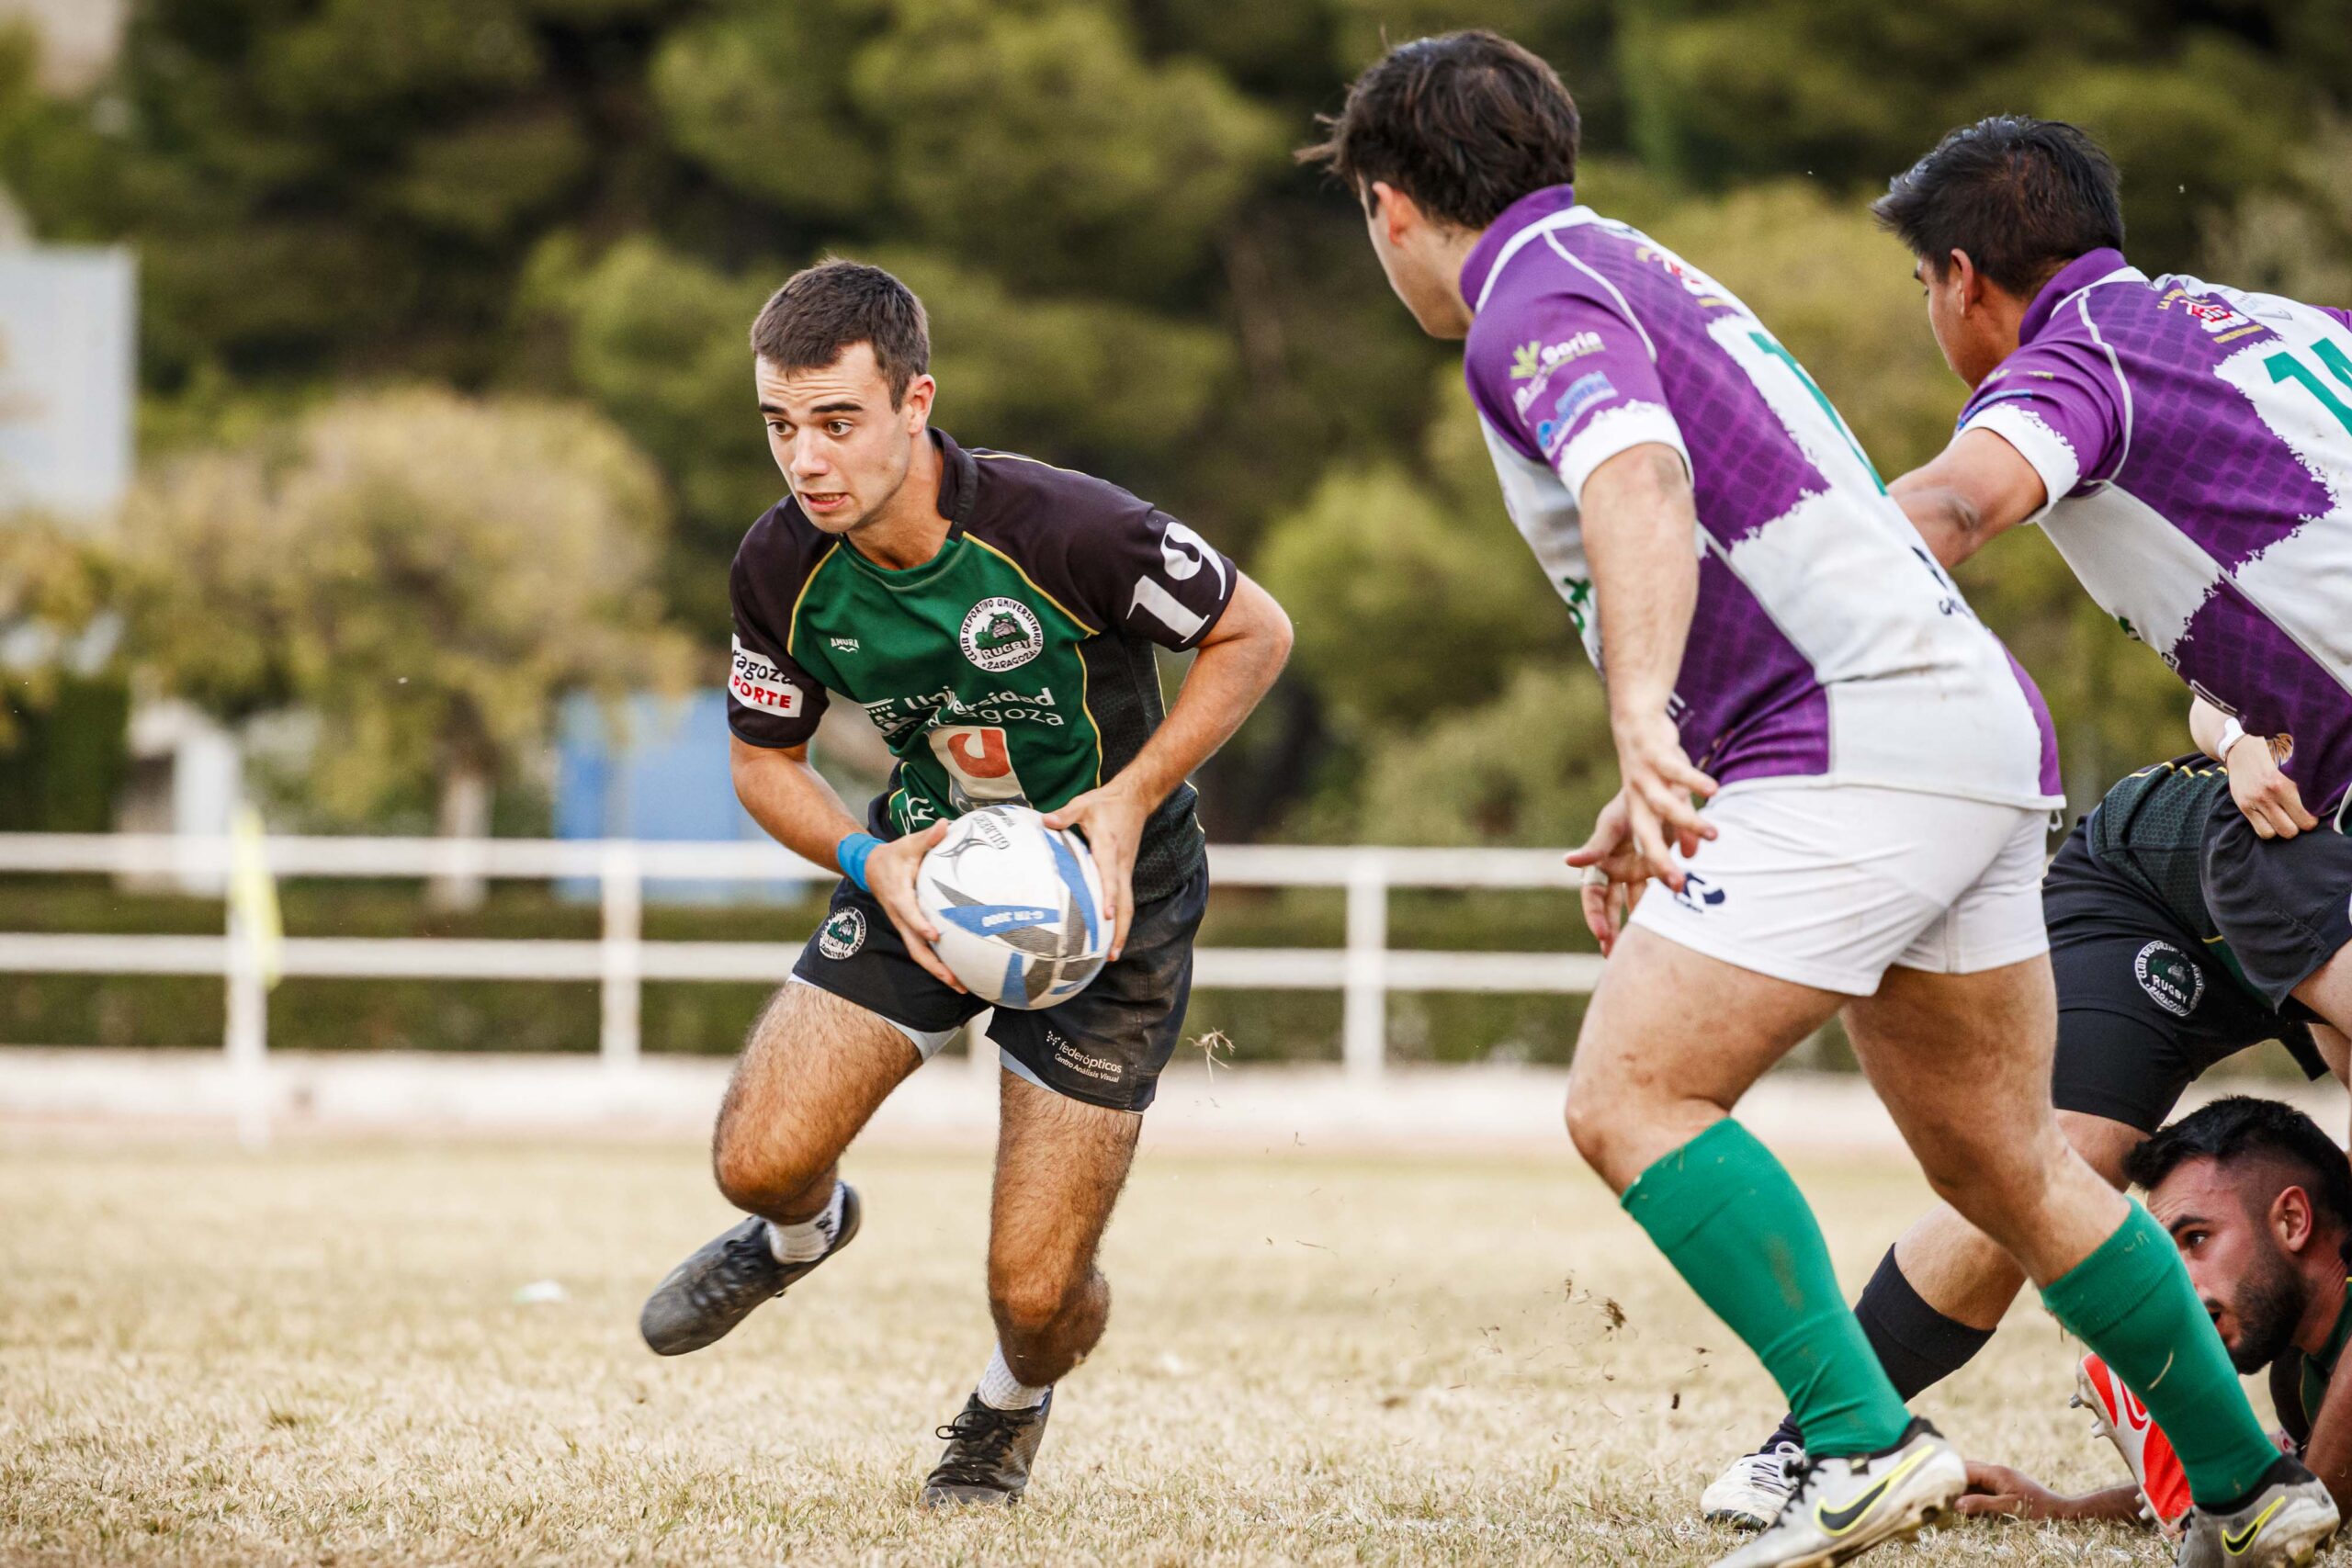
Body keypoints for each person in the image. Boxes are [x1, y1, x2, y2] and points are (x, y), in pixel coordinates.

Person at [1303, 31, 2335, 1566]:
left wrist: (1648, 729)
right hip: (1975, 733)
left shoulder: (1528, 293)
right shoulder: (1627, 257)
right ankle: (2259, 1483)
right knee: (2009, 1162)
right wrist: (1661, 748)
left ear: (1392, 208)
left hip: (1850, 743)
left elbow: (1639, 484)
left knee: (1630, 1096)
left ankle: (1854, 1444)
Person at [635, 260, 1292, 1507]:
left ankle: (1007, 1402)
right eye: (780, 423)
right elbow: (760, 761)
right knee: (758, 1158)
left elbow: (1257, 631)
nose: (804, 458)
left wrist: (1135, 791)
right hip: (924, 872)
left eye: (837, 420)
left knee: (1039, 1294)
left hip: (1114, 903)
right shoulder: (780, 567)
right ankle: (801, 1233)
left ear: (915, 401)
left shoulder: (1067, 528)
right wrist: (866, 858)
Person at [1702, 744, 2348, 1528]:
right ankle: (1820, 1439)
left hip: (2308, 893)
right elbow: (2213, 650)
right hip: (2171, 888)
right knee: (2063, 1154)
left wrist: (2072, 1511)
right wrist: (2241, 740)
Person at [1877, 115, 2352, 1051]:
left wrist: (1747, 558)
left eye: (1923, 283)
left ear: (1962, 279)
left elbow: (1958, 509)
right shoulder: (2284, 323)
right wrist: (2233, 736)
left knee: (2260, 870)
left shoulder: (2082, 358)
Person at [1959, 1097, 2352, 1529]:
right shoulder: (2296, 1378)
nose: (2176, 1285)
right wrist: (2062, 1510)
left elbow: (2301, 1510)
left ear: (2292, 1221)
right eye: (2167, 1254)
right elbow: (2269, 1483)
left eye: (2196, 1238)